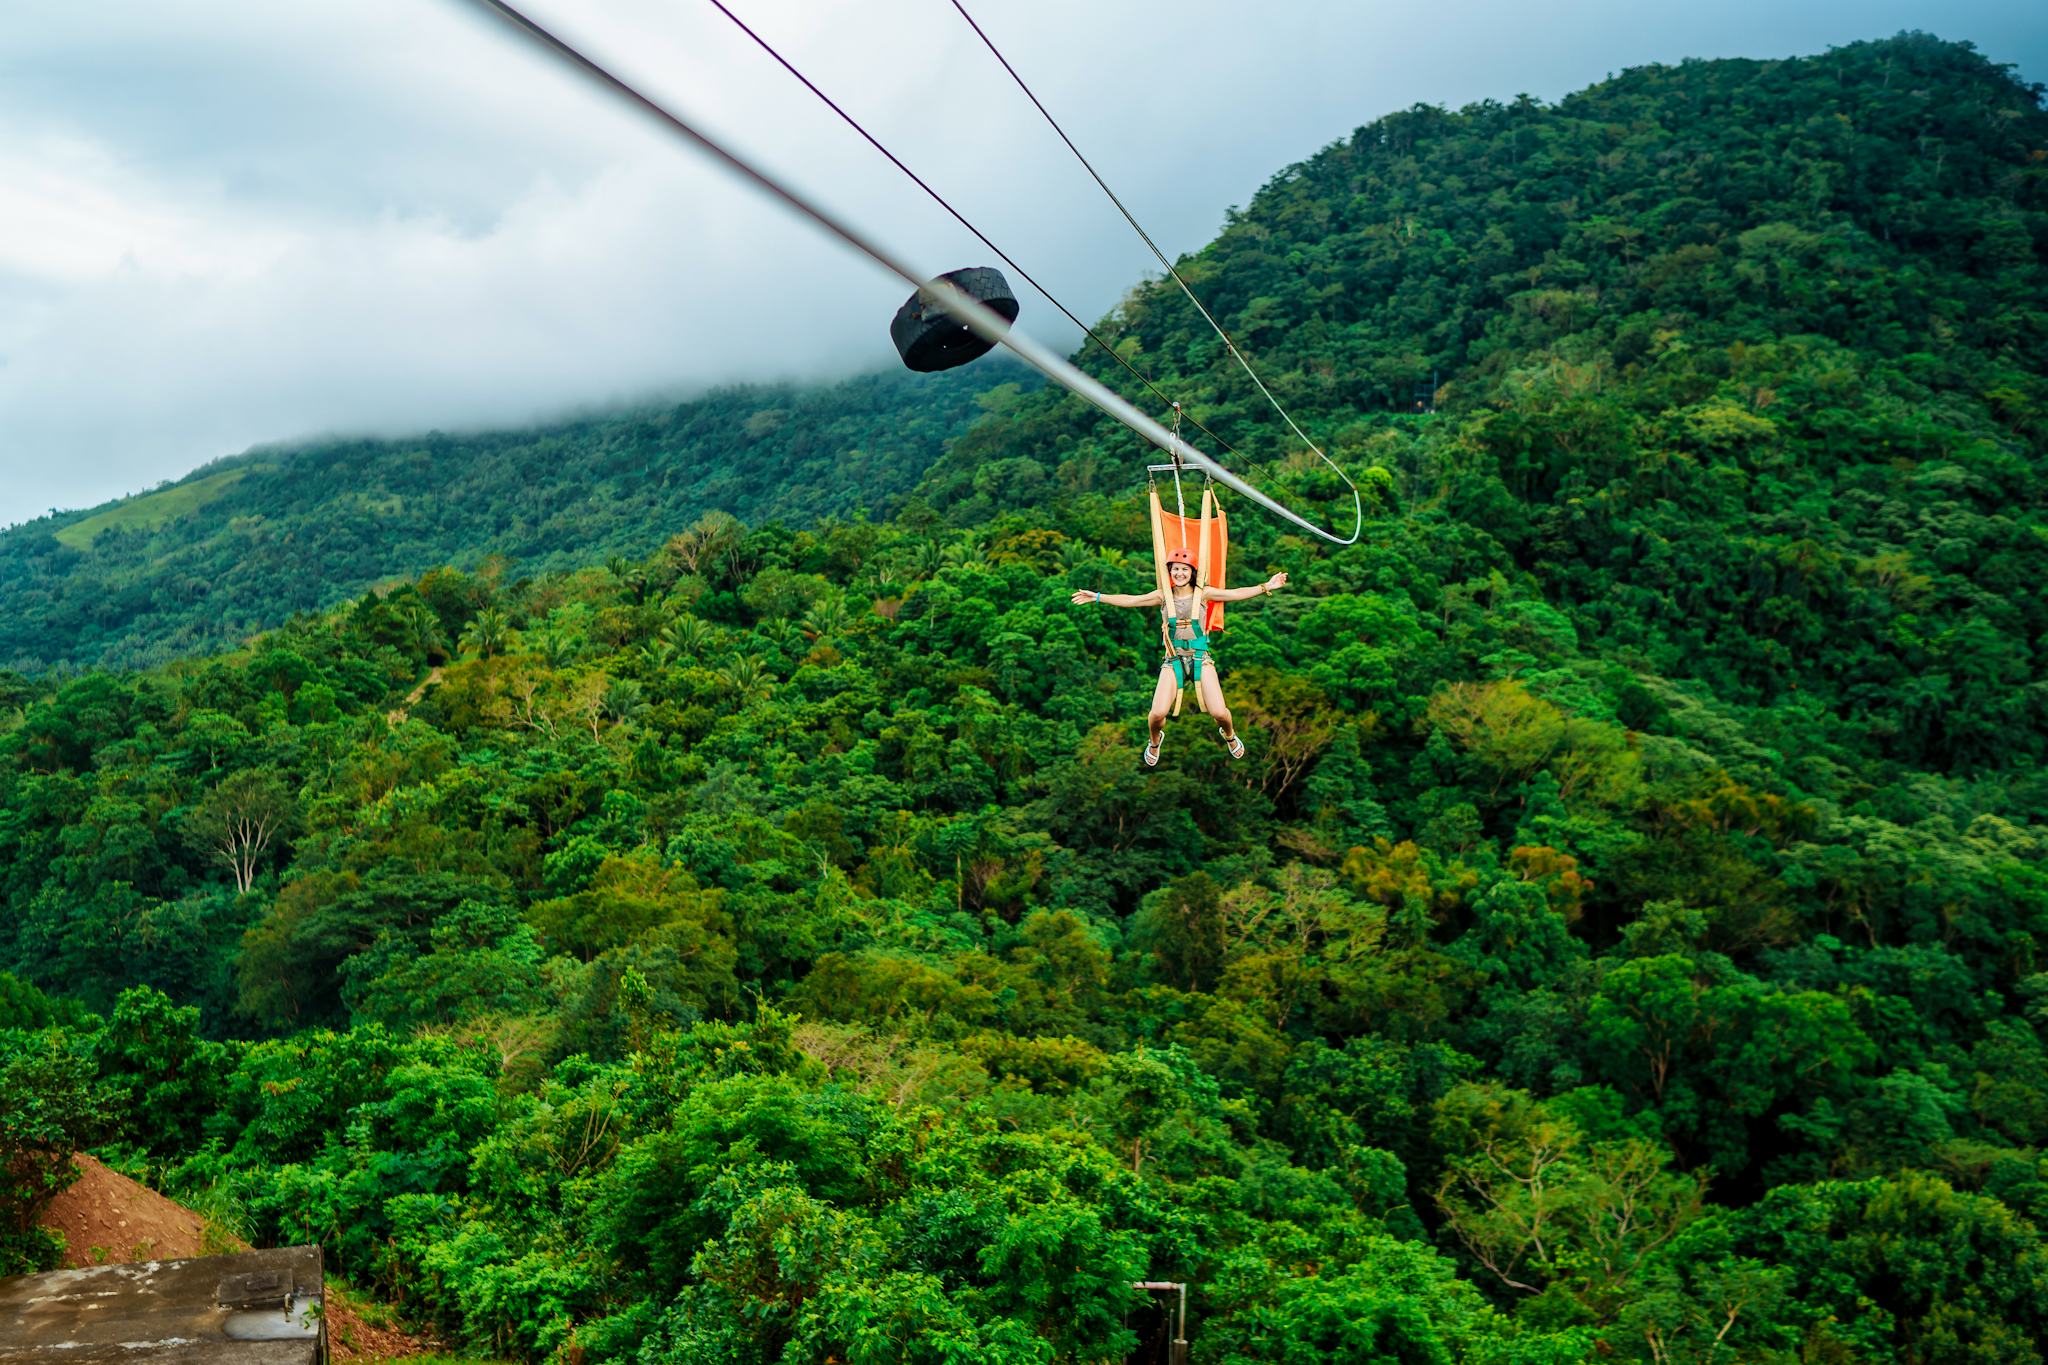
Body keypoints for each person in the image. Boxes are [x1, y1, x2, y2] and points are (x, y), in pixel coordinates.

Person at [1071, 547, 1288, 766]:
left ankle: (1230, 735)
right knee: (1156, 714)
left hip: (1200, 658)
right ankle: (1155, 741)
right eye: (1175, 569)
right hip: (1173, 659)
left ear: (1192, 572)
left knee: (1220, 713)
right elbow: (1132, 600)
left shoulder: (1203, 593)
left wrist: (1266, 586)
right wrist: (1098, 597)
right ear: (1170, 572)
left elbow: (1235, 593)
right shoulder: (1163, 595)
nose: (1179, 573)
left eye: (1184, 569)